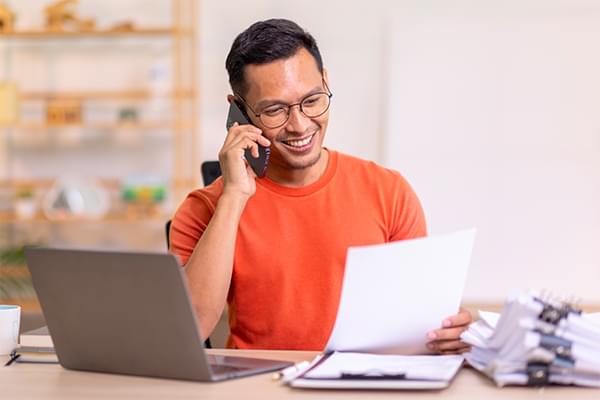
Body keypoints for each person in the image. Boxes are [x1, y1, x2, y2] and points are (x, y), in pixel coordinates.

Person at [170, 18, 472, 353]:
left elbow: (417, 317)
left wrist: (448, 332)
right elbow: (189, 329)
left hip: (360, 383)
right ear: (239, 112)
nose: (299, 125)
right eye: (274, 110)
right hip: (257, 386)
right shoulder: (205, 208)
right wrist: (234, 197)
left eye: (312, 100)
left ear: (326, 81)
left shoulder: (389, 192)